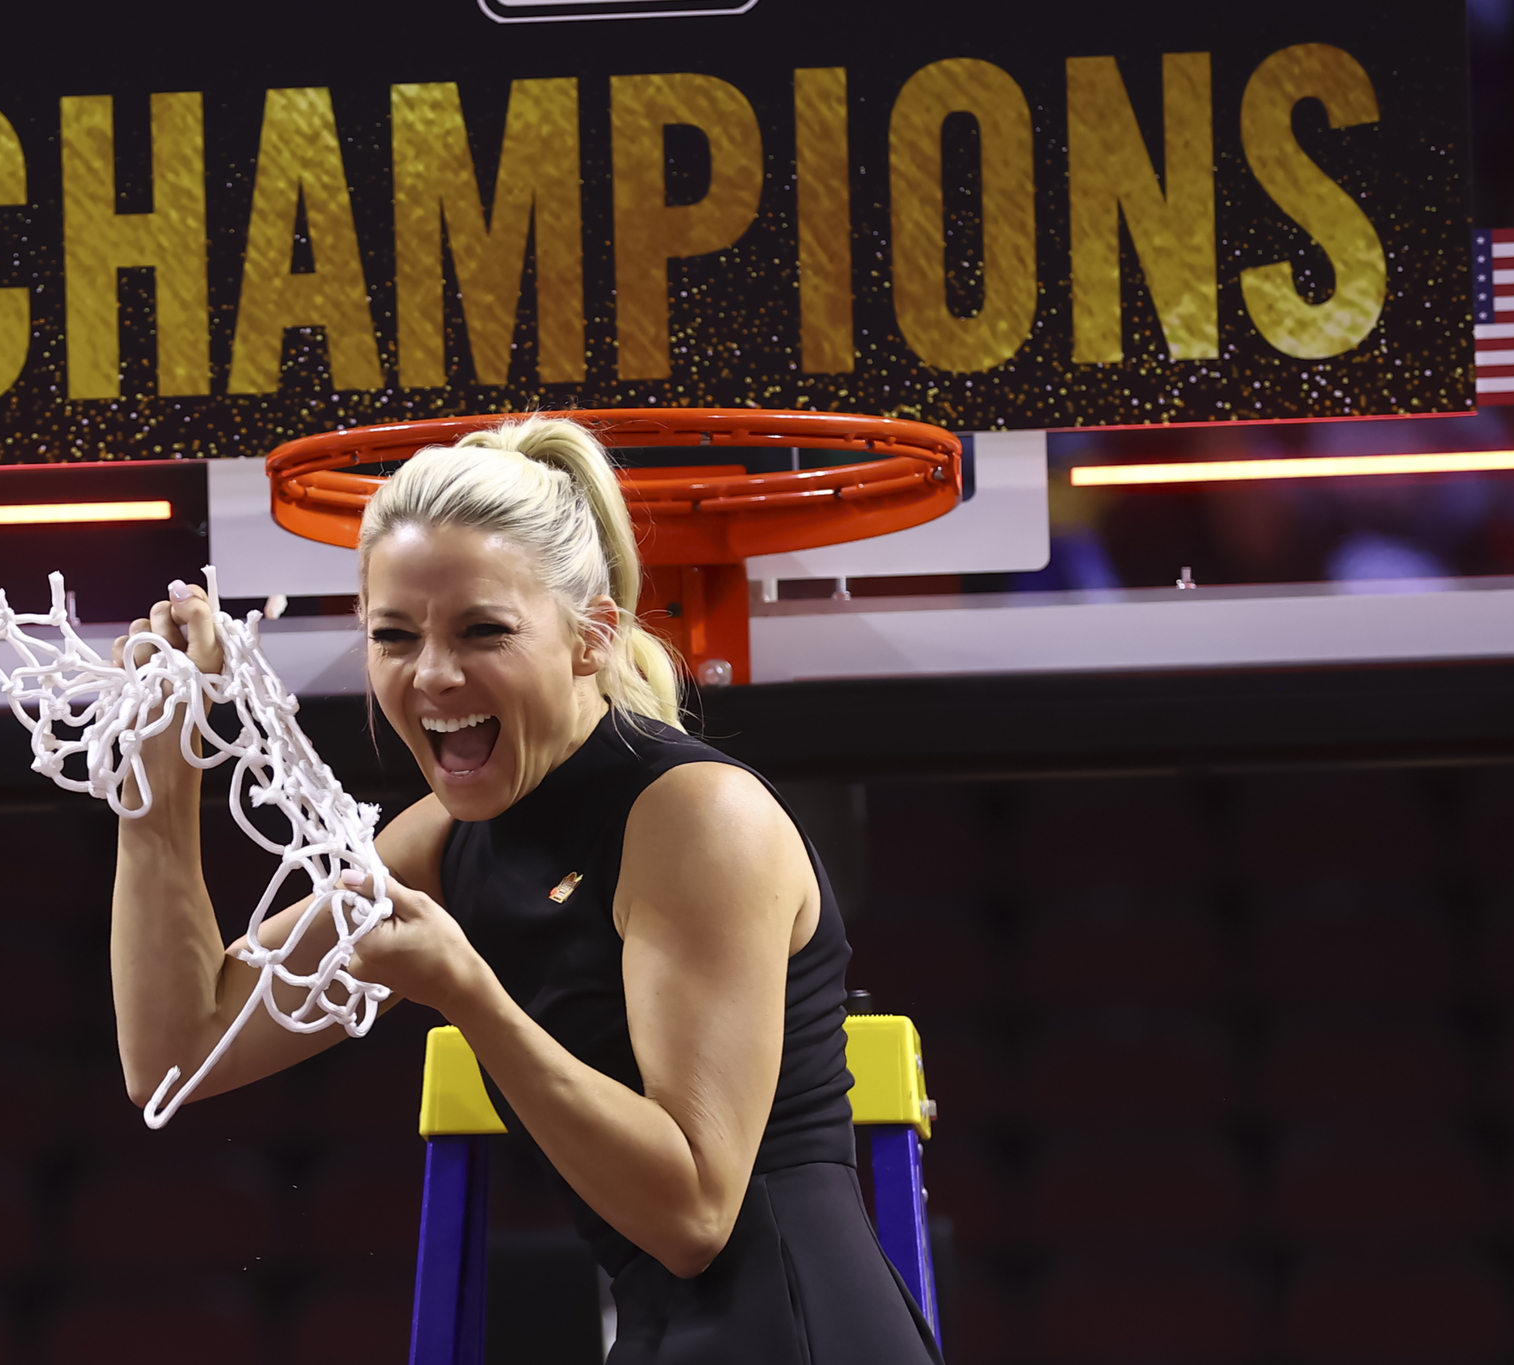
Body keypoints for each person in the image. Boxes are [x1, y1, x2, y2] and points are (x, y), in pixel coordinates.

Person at [109, 415, 941, 1365]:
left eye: (483, 631)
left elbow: (698, 1212)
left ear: (589, 638)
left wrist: (470, 994)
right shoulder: (442, 838)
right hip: (670, 1331)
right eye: (393, 635)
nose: (431, 672)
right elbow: (178, 1050)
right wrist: (160, 772)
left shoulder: (696, 817)